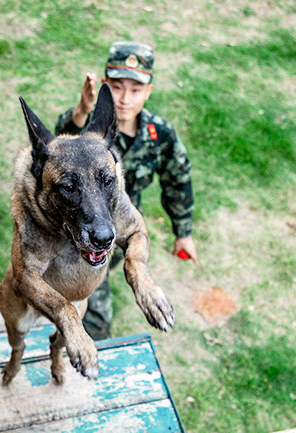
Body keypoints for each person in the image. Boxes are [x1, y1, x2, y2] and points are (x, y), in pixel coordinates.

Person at [55, 41, 198, 340]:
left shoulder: (160, 134)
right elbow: (58, 142)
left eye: (135, 90)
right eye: (117, 88)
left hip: (124, 226)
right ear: (105, 85)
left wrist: (182, 232)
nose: (124, 99)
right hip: (84, 229)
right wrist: (81, 111)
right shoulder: (90, 133)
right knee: (94, 314)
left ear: (149, 91)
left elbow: (178, 179)